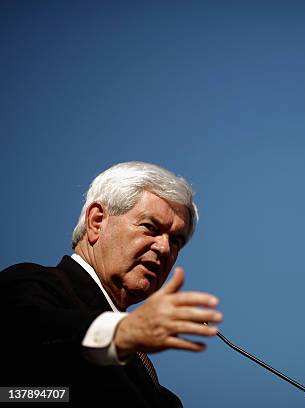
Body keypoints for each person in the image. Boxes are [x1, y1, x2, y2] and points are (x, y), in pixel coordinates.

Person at [0, 162, 222, 408]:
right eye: (150, 227)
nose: (164, 248)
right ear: (97, 221)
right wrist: (123, 332)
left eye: (176, 241)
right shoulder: (27, 286)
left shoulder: (160, 397)